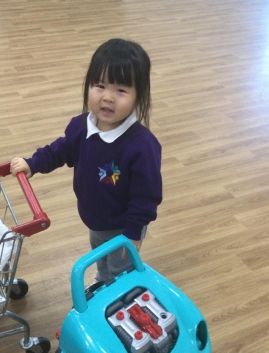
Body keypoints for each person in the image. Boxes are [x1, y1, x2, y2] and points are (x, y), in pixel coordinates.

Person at [10, 38, 162, 283]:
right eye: (100, 85)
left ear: (138, 96)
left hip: (122, 227)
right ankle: (103, 279)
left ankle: (118, 292)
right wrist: (33, 163)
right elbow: (60, 150)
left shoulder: (142, 146)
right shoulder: (81, 126)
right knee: (100, 256)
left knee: (121, 271)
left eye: (121, 90)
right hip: (94, 218)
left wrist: (133, 232)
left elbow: (146, 195)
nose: (108, 97)